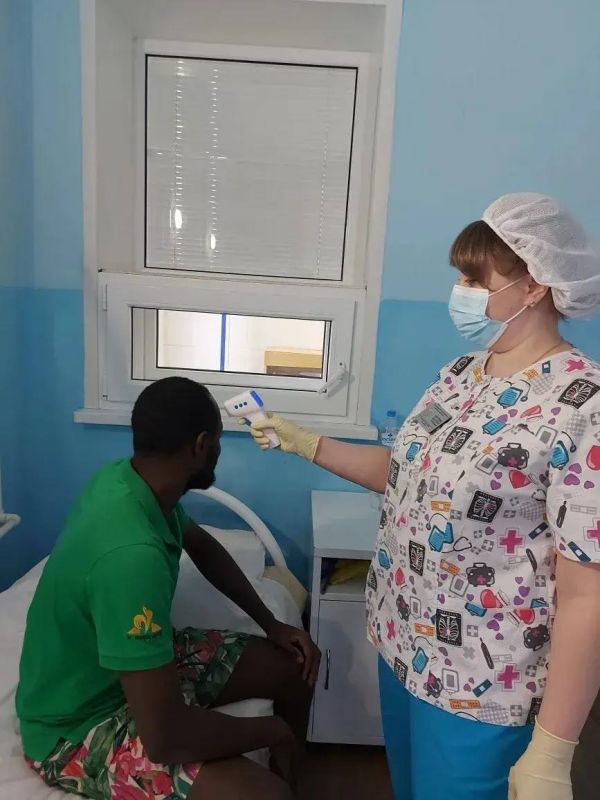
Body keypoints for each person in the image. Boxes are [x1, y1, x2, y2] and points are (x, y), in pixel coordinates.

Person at [248, 194, 600, 800]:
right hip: (405, 646)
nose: (460, 292)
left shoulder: (582, 404)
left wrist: (553, 748)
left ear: (535, 284)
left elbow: (587, 592)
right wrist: (305, 443)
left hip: (485, 682)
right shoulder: (462, 374)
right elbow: (407, 473)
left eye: (475, 279)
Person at [16, 377, 320, 800]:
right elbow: (165, 739)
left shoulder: (132, 481)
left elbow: (200, 545)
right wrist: (271, 730)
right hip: (78, 724)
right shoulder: (131, 556)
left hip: (124, 671)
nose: (218, 449)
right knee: (266, 795)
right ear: (200, 446)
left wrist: (272, 624)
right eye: (217, 440)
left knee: (294, 667)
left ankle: (291, 776)